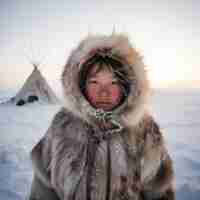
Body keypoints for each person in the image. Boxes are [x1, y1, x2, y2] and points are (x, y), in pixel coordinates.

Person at [29, 34, 175, 200]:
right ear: (80, 85)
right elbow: (43, 191)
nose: (104, 92)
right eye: (94, 82)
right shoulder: (61, 127)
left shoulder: (145, 131)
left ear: (127, 87)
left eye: (113, 83)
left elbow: (159, 192)